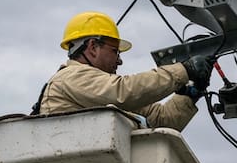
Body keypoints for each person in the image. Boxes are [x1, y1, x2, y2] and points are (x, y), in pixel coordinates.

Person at [34, 11, 214, 131]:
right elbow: (123, 91)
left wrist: (192, 92)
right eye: (115, 51)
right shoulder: (70, 77)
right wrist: (184, 69)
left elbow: (161, 120)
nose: (119, 60)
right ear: (93, 47)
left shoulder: (98, 93)